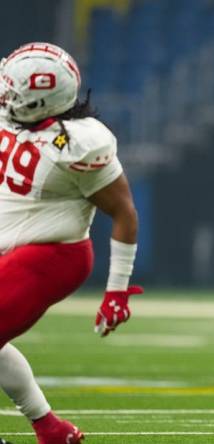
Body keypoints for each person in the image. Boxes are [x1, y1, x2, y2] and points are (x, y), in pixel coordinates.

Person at [0, 42, 142, 444]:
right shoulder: (18, 113)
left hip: (51, 254)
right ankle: (50, 429)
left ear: (40, 101)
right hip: (13, 244)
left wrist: (117, 290)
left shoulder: (78, 143)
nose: (4, 95)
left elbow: (125, 213)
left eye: (12, 91)